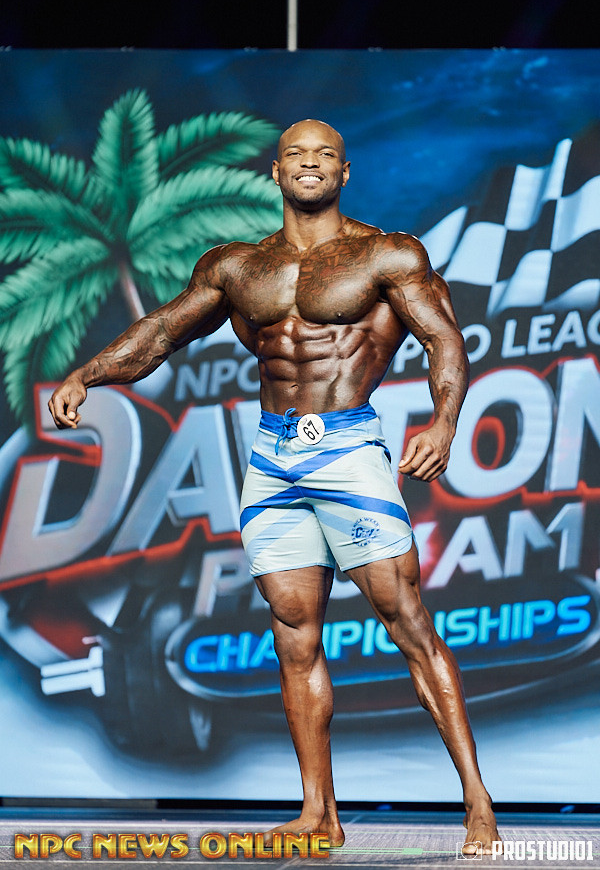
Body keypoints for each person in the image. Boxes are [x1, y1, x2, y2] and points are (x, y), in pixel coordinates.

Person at [49, 119, 500, 855]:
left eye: (325, 155)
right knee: (294, 634)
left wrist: (444, 422)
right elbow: (161, 332)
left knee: (407, 623)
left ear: (344, 172)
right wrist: (87, 375)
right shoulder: (237, 267)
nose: (310, 164)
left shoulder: (388, 254)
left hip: (348, 449)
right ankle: (318, 813)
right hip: (272, 459)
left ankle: (478, 802)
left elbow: (443, 337)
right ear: (277, 170)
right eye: (297, 154)